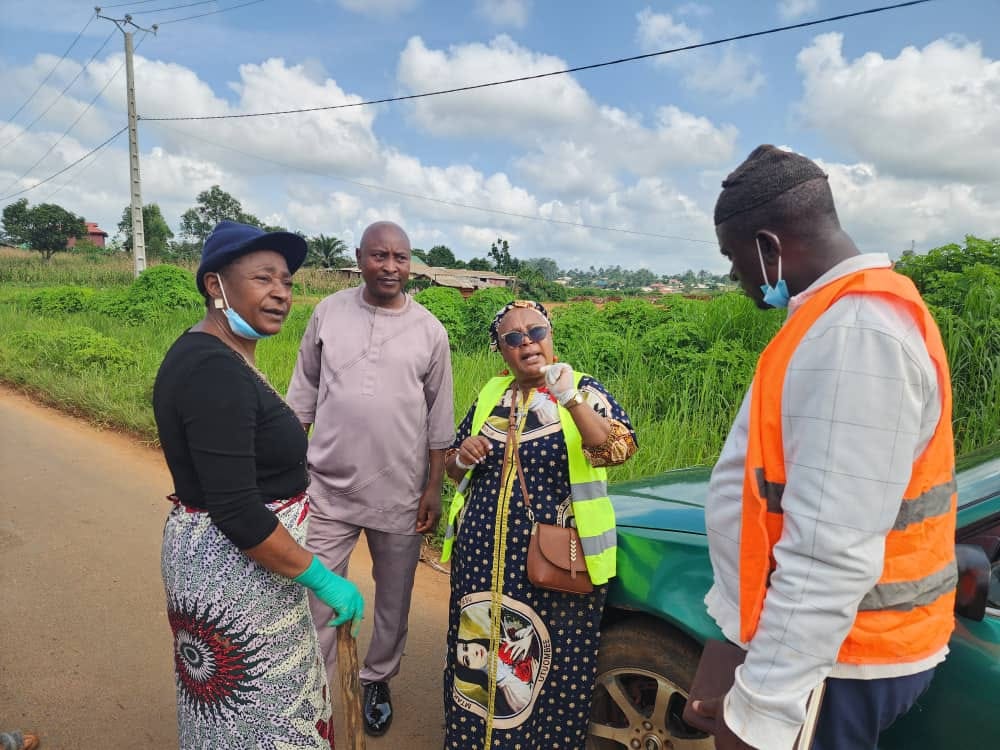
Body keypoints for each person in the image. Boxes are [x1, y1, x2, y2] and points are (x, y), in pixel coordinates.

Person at [689, 146, 957, 750]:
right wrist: (733, 632)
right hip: (822, 650)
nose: (734, 276)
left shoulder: (857, 334)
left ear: (769, 247)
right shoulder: (828, 319)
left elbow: (829, 554)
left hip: (840, 660)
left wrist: (761, 709)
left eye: (733, 257)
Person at [153, 220, 364, 750]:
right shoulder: (210, 369)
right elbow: (237, 509)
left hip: (250, 575)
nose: (280, 293)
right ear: (215, 285)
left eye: (287, 281)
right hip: (235, 577)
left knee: (251, 713)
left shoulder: (225, 356)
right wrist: (323, 578)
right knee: (259, 716)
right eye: (263, 278)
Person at [440, 300, 637, 749]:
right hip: (480, 561)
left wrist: (569, 399)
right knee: (477, 662)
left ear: (550, 337)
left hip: (554, 564)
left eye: (536, 331)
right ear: (500, 349)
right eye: (513, 337)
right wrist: (462, 457)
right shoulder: (492, 395)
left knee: (548, 666)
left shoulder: (582, 389)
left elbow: (617, 449)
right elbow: (454, 466)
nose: (527, 342)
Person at [285, 220, 455, 737]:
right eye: (380, 255)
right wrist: (289, 470)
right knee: (315, 591)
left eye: (400, 257)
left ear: (411, 264)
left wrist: (433, 489)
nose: (390, 266)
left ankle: (377, 678)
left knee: (394, 599)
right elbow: (302, 395)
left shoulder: (430, 330)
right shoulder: (328, 312)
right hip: (327, 488)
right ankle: (311, 692)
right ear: (360, 257)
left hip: (401, 492)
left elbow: (440, 419)